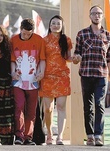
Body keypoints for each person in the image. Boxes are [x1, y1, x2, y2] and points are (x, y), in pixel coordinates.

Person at [72, 5, 110, 146]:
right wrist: (77, 57)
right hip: (86, 74)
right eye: (94, 13)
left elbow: (109, 59)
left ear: (102, 16)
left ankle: (98, 135)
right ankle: (89, 135)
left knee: (99, 105)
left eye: (99, 13)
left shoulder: (108, 36)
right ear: (90, 16)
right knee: (88, 106)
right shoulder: (82, 34)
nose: (97, 16)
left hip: (102, 75)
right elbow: (77, 53)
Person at [10, 18, 46, 145]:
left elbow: (42, 59)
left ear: (33, 31)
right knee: (19, 107)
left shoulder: (39, 40)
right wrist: (13, 73)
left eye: (29, 34)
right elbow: (12, 60)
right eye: (24, 33)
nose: (26, 36)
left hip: (33, 81)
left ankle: (28, 137)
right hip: (18, 81)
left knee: (31, 110)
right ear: (20, 29)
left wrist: (41, 72)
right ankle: (18, 136)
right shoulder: (13, 40)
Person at [39, 15, 73, 145]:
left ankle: (60, 136)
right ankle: (49, 132)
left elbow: (68, 57)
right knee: (48, 108)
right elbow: (42, 58)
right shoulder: (44, 40)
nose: (55, 25)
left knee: (61, 107)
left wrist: (75, 58)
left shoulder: (66, 40)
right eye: (53, 23)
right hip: (47, 77)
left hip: (62, 76)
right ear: (49, 25)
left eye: (58, 23)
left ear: (62, 25)